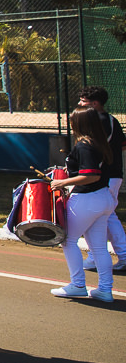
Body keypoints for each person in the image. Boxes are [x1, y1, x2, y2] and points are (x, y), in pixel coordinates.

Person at [49, 107, 116, 302]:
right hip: (104, 198)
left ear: (79, 123)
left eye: (72, 120)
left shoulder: (85, 145)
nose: (70, 123)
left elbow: (91, 175)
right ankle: (105, 289)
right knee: (99, 248)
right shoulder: (100, 143)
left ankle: (78, 285)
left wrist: (62, 182)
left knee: (67, 240)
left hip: (87, 199)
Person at [76, 86, 125, 273]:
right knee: (106, 215)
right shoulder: (110, 120)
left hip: (107, 176)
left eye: (84, 101)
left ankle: (101, 256)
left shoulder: (100, 121)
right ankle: (104, 256)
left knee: (104, 216)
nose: (80, 104)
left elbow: (95, 148)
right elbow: (122, 145)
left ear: (95, 104)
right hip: (109, 174)